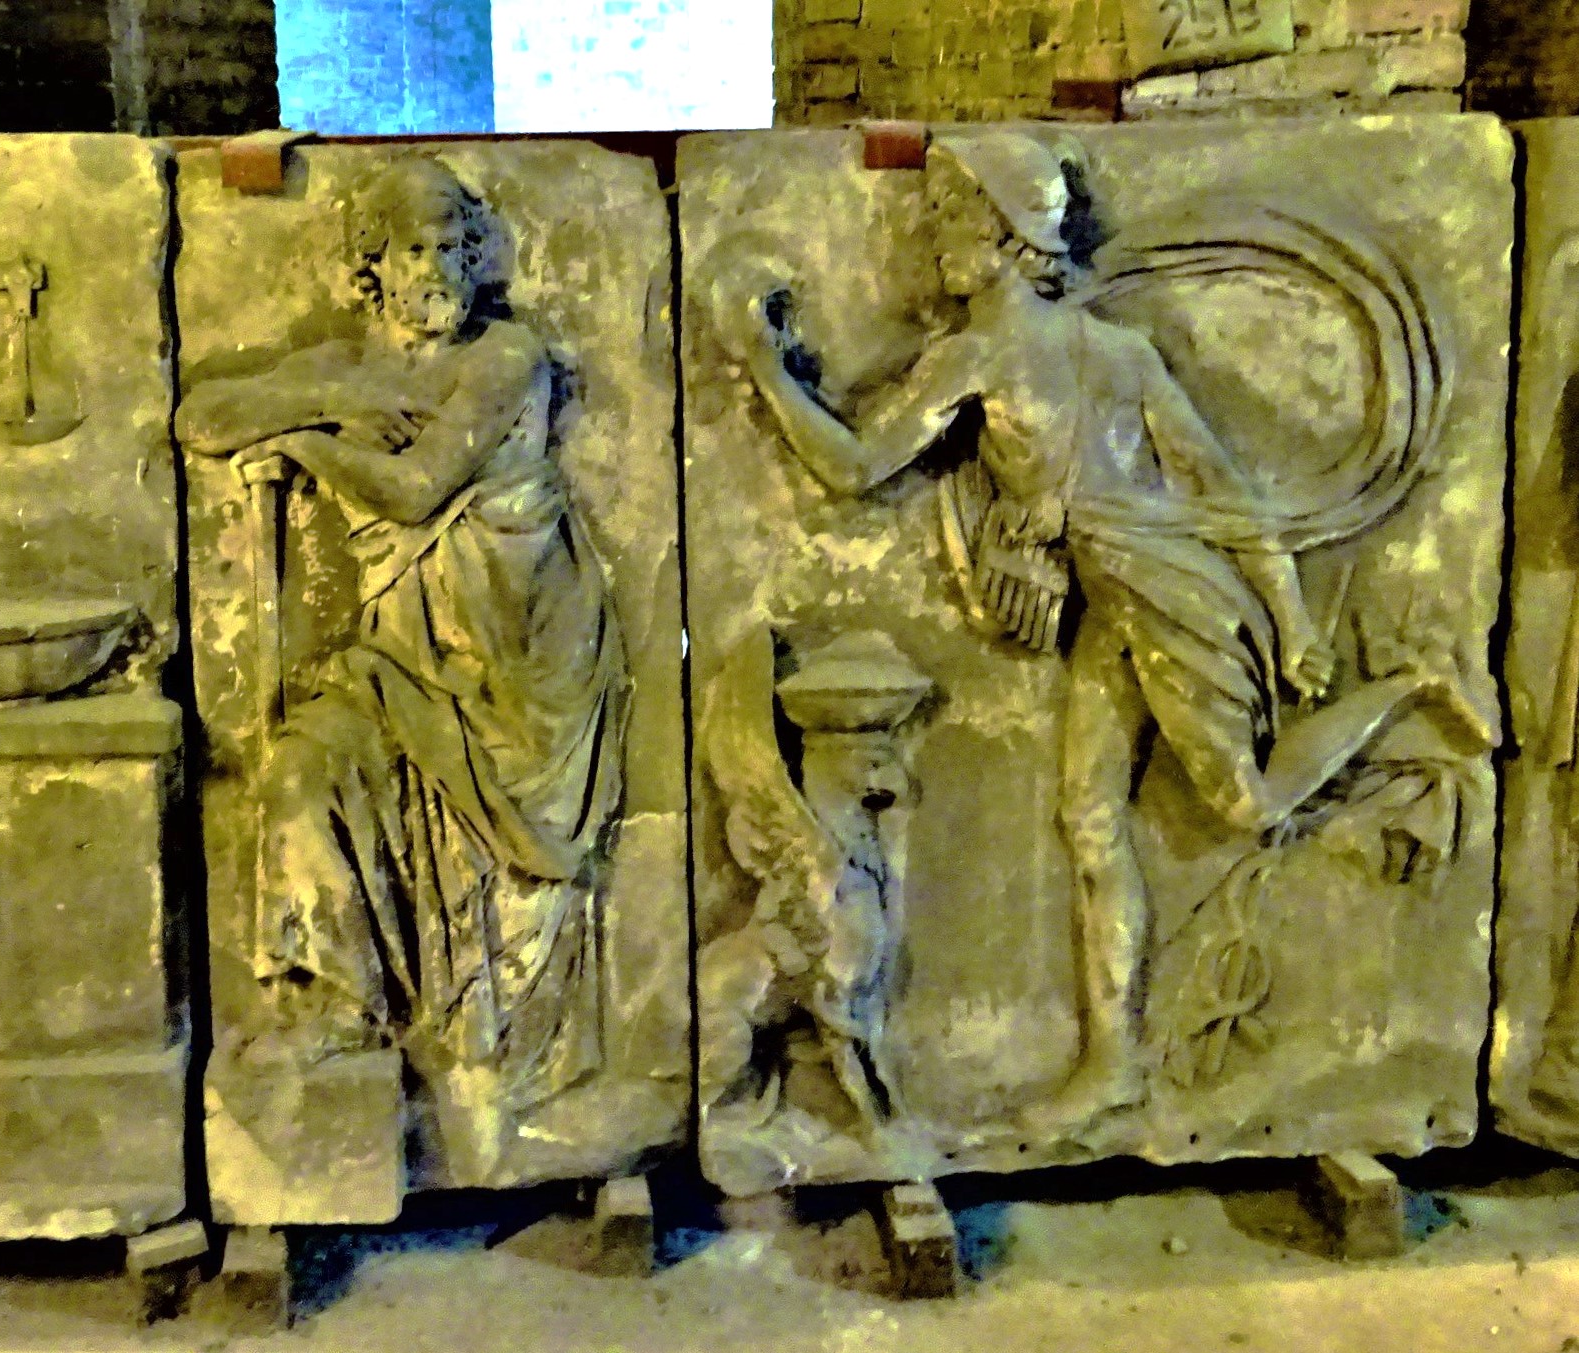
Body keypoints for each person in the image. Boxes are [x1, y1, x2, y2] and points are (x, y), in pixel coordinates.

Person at [717, 132, 1485, 1128]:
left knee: (1245, 802)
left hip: (1169, 596)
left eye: (953, 216)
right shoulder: (1037, 353)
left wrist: (765, 367)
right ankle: (1112, 1062)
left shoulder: (1044, 354)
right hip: (1113, 612)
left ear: (1006, 236)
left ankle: (1414, 691)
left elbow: (1215, 488)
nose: (934, 235)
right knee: (1088, 822)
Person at [178, 157, 627, 1180]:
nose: (438, 270)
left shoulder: (506, 358)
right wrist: (326, 399)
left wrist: (308, 442)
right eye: (415, 249)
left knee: (501, 888)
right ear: (372, 263)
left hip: (522, 666)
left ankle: (481, 1095)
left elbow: (417, 489)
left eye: (455, 248)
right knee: (296, 780)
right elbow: (197, 419)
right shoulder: (347, 368)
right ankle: (342, 1017)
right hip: (395, 660)